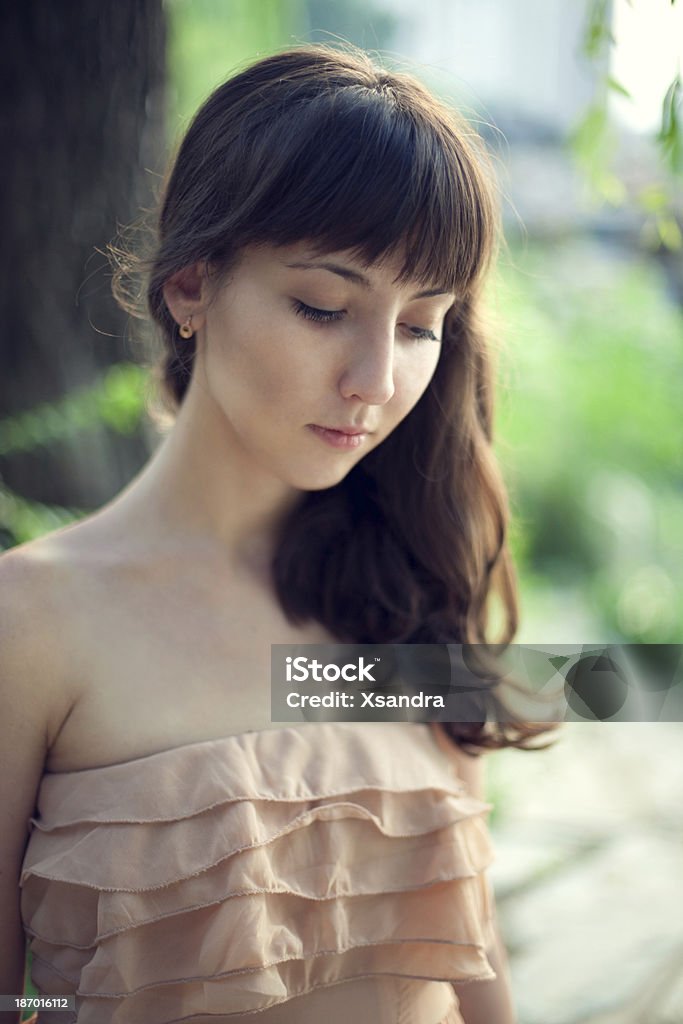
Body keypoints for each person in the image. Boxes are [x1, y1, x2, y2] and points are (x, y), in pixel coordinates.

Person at [0, 45, 556, 1024]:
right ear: (189, 288)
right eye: (322, 307)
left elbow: (469, 961)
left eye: (421, 323)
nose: (375, 378)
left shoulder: (395, 586)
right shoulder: (33, 622)